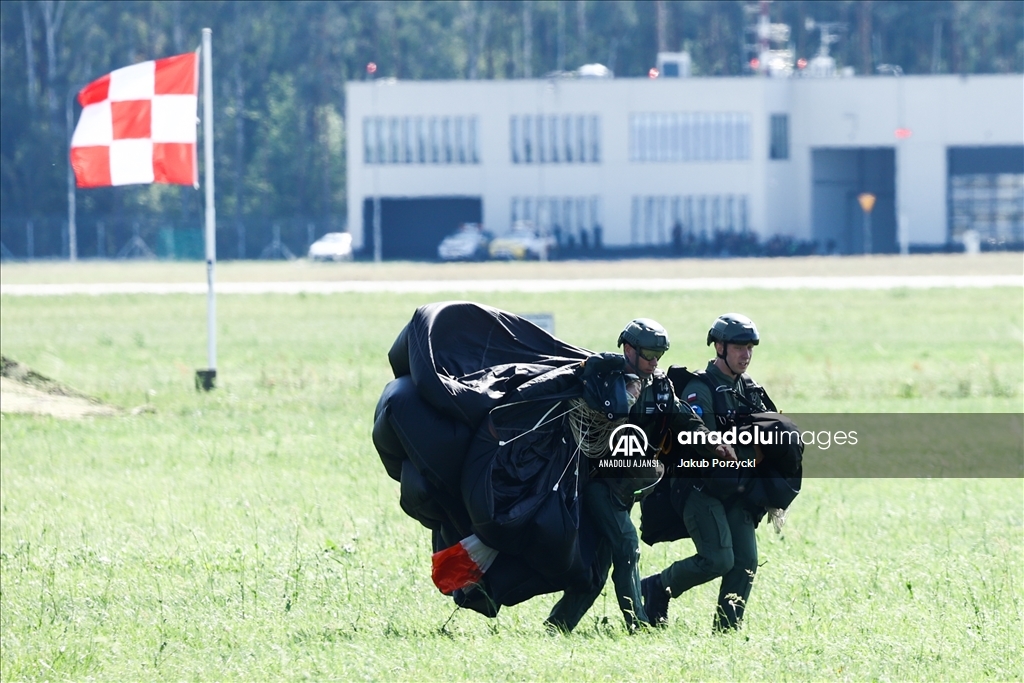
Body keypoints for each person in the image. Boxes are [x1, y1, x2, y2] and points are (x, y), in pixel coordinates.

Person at [546, 319, 732, 634]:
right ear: (629, 349)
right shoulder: (605, 380)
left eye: (659, 353)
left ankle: (557, 626)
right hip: (597, 485)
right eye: (648, 352)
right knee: (627, 545)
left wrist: (711, 440)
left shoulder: (659, 386)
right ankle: (639, 625)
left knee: (599, 569)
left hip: (625, 489)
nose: (654, 360)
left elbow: (682, 415)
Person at [641, 312, 787, 632]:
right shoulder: (700, 389)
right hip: (698, 487)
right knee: (719, 559)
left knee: (745, 562)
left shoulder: (749, 389)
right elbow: (706, 444)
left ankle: (725, 633)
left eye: (749, 348)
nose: (745, 355)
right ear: (719, 347)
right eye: (738, 347)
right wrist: (754, 449)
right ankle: (656, 587)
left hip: (736, 489)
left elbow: (775, 434)